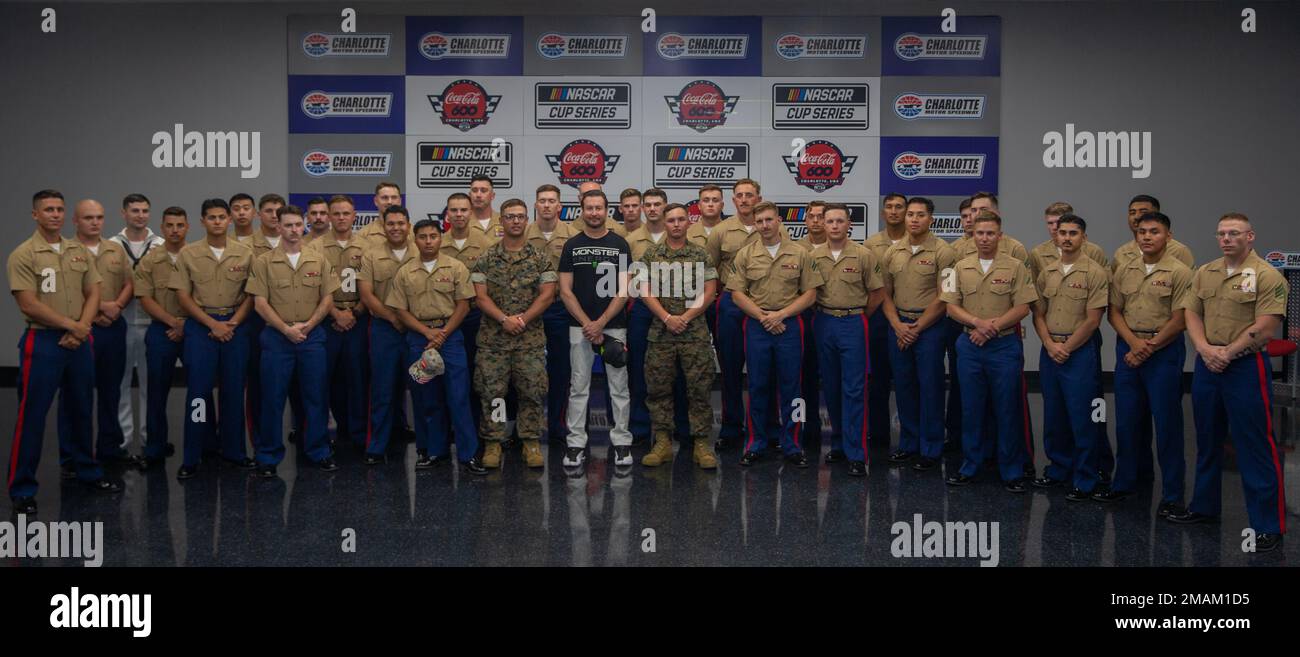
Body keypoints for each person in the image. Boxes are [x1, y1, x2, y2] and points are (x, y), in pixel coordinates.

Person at [1171, 213, 1288, 552]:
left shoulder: (1267, 275)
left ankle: (1267, 525)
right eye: (1222, 233)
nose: (1226, 238)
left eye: (1234, 233)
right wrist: (1205, 349)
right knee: (1206, 440)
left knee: (1254, 445)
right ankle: (1204, 508)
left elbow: (1267, 325)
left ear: (1250, 236)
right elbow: (1191, 312)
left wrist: (1228, 352)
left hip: (1245, 367)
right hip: (1208, 365)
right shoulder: (1204, 272)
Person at [7, 190, 121, 515]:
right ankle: (22, 488)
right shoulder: (24, 254)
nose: (55, 214)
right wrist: (73, 327)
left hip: (80, 339)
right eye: (48, 210)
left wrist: (82, 326)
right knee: (32, 416)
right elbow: (28, 303)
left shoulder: (78, 251)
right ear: (35, 215)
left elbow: (94, 290)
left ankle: (87, 471)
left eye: (59, 209)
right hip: (43, 342)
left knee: (82, 409)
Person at [1095, 212, 1191, 516]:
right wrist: (1135, 345)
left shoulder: (1180, 271)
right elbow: (1114, 312)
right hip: (1130, 349)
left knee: (1167, 425)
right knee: (1126, 422)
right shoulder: (1125, 269)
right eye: (1142, 232)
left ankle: (1173, 494)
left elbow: (1180, 319)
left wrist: (1147, 347)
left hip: (1163, 352)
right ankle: (1124, 483)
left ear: (1168, 236)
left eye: (1154, 231)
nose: (1147, 236)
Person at [941, 210, 1038, 491]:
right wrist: (977, 324)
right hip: (969, 345)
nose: (984, 238)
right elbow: (950, 306)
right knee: (971, 408)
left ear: (1000, 235)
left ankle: (1012, 470)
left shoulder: (1016, 267)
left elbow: (1023, 306)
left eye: (990, 233)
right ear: (972, 235)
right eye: (979, 233)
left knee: (1007, 408)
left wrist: (991, 328)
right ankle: (970, 465)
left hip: (1004, 346)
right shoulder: (957, 267)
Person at [386, 219, 487, 475]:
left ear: (441, 238)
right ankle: (433, 451)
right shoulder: (405, 272)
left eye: (433, 236)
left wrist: (442, 334)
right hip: (419, 338)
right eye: (422, 237)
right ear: (414, 239)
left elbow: (464, 304)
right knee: (426, 398)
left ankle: (468, 454)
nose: (428, 241)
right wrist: (426, 332)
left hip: (450, 337)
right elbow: (400, 309)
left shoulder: (456, 267)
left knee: (458, 397)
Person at [246, 205, 340, 476]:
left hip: (312, 338)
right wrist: (286, 330)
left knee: (316, 397)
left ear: (305, 225)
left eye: (298, 224)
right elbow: (260, 304)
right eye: (288, 225)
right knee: (272, 399)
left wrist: (309, 325)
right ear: (278, 227)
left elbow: (327, 298)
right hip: (277, 338)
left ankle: (319, 451)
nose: (294, 230)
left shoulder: (318, 259)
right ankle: (268, 456)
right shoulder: (263, 262)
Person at [729, 201, 824, 468]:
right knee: (757, 385)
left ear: (779, 220)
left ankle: (793, 443)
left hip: (790, 326)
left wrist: (781, 315)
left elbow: (811, 293)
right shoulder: (746, 254)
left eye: (769, 220)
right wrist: (764, 317)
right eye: (759, 222)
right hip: (757, 325)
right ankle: (755, 443)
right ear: (755, 224)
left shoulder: (800, 253)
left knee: (793, 388)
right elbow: (736, 294)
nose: (765, 226)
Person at [170, 199, 258, 479]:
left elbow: (252, 294)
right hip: (201, 327)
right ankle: (193, 455)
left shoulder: (245, 253)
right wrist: (212, 324)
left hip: (235, 326)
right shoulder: (189, 254)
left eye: (222, 217)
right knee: (198, 394)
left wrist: (232, 322)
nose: (217, 221)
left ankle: (234, 451)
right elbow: (183, 296)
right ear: (202, 221)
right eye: (211, 217)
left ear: (229, 220)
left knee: (233, 392)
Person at [471, 198, 556, 468]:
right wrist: (504, 319)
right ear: (501, 221)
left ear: (527, 221)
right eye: (510, 216)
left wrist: (521, 319)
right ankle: (493, 443)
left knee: (531, 390)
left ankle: (530, 442)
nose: (516, 221)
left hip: (529, 341)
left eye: (520, 216)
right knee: (492, 392)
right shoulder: (485, 258)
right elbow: (480, 298)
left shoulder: (540, 258)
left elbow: (547, 296)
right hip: (493, 341)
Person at [1030, 214, 1108, 499]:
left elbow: (1093, 320)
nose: (1066, 237)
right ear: (1056, 237)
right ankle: (1057, 469)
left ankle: (1085, 477)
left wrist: (1066, 347)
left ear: (1083, 238)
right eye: (1062, 232)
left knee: (1082, 416)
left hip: (1078, 352)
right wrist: (1050, 344)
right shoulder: (1046, 272)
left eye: (1073, 233)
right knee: (1054, 414)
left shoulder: (1095, 273)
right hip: (1050, 349)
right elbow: (1038, 314)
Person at [637, 203, 719, 469]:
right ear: (664, 222)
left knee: (699, 389)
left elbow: (710, 291)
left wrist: (686, 317)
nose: (675, 224)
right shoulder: (651, 254)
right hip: (661, 333)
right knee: (659, 389)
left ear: (688, 222)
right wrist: (667, 317)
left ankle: (701, 444)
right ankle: (662, 442)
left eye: (680, 219)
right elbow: (644, 290)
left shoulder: (700, 253)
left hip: (694, 332)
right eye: (670, 220)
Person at [557, 189, 634, 468]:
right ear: (582, 209)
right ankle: (576, 444)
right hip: (579, 328)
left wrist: (600, 323)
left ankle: (622, 443)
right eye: (588, 208)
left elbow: (624, 290)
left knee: (619, 387)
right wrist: (588, 324)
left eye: (598, 208)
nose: (594, 213)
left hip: (613, 325)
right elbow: (565, 291)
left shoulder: (620, 244)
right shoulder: (571, 245)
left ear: (607, 210)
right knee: (579, 387)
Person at [880, 197, 956, 470]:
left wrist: (918, 327)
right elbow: (885, 295)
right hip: (899, 326)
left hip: (930, 328)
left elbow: (946, 296)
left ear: (931, 219)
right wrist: (898, 326)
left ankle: (931, 448)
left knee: (931, 386)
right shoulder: (892, 252)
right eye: (910, 214)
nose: (913, 219)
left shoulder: (945, 252)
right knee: (904, 386)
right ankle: (908, 444)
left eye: (920, 215)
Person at [810, 203, 885, 475]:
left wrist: (859, 315)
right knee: (830, 386)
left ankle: (856, 452)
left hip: (853, 322)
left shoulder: (864, 255)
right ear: (823, 224)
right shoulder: (813, 256)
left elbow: (877, 292)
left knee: (854, 388)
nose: (834, 226)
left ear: (848, 224)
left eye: (839, 221)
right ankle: (839, 444)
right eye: (829, 221)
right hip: (824, 321)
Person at [63, 199, 138, 466]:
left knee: (111, 391)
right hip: (81, 329)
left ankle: (110, 448)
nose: (95, 222)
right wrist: (98, 310)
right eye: (88, 218)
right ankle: (72, 457)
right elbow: (65, 294)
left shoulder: (115, 250)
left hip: (114, 329)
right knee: (76, 394)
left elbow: (129, 283)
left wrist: (117, 306)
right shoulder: (65, 251)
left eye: (99, 217)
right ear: (75, 221)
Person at [705, 178, 767, 450]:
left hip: (764, 304)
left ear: (758, 197)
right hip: (730, 305)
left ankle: (763, 428)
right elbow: (710, 270)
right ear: (733, 200)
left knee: (762, 370)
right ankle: (731, 427)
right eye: (739, 195)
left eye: (749, 195)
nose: (744, 200)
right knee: (730, 369)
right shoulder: (720, 230)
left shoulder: (773, 226)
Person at [626, 188, 690, 443]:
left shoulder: (684, 234)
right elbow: (628, 281)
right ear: (642, 208)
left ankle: (681, 429)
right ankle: (641, 429)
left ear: (665, 209)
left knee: (681, 371)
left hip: (678, 309)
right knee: (640, 370)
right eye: (648, 205)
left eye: (657, 204)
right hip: (643, 310)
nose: (652, 209)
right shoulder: (631, 240)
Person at [308, 195, 369, 450]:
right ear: (329, 217)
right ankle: (325, 434)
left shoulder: (367, 247)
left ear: (354, 216)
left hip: (358, 319)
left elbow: (372, 288)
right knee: (325, 379)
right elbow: (313, 289)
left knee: (357, 379)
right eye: (336, 214)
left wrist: (353, 313)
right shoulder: (314, 248)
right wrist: (336, 314)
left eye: (346, 213)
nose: (341, 218)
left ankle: (356, 434)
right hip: (327, 322)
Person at [357, 206, 416, 464]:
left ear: (408, 225)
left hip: (417, 328)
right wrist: (393, 318)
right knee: (382, 389)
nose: (396, 228)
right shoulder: (371, 255)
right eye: (390, 224)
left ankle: (427, 446)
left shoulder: (421, 250)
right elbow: (366, 295)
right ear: (383, 226)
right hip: (384, 328)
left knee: (422, 387)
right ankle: (377, 446)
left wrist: (408, 321)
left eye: (401, 223)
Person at [108, 193, 165, 459]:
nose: (140, 215)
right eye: (134, 210)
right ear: (124, 213)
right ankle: (121, 441)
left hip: (152, 323)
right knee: (119, 383)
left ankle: (148, 439)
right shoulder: (111, 245)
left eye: (144, 210)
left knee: (150, 384)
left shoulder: (161, 245)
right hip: (120, 322)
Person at [132, 206, 190, 467]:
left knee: (199, 392)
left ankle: (203, 444)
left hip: (194, 330)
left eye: (180, 225)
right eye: (170, 225)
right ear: (162, 227)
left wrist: (185, 324)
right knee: (156, 392)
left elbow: (206, 296)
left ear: (187, 227)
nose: (175, 230)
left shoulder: (198, 256)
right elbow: (144, 297)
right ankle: (155, 447)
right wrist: (173, 322)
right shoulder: (150, 260)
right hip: (161, 330)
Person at [524, 184, 578, 443]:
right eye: (541, 200)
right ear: (535, 205)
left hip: (559, 309)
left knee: (560, 370)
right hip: (528, 310)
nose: (546, 205)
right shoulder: (521, 234)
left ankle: (557, 424)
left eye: (551, 201)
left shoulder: (573, 236)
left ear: (560, 206)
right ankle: (526, 428)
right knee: (524, 370)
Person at [441, 192, 493, 434]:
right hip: (446, 320)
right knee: (445, 376)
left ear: (471, 213)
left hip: (475, 317)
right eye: (454, 210)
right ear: (447, 214)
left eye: (463, 210)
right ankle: (448, 428)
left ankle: (473, 427)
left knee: (475, 374)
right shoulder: (436, 243)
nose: (459, 214)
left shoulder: (485, 244)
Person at [864, 193, 907, 449]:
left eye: (899, 207)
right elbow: (870, 287)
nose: (893, 211)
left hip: (911, 319)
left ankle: (911, 438)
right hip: (879, 320)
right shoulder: (870, 245)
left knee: (906, 380)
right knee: (878, 381)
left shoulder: (915, 242)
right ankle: (878, 435)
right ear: (882, 213)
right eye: (889, 207)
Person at [468, 174, 504, 242]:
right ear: (470, 195)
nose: (478, 195)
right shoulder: (462, 221)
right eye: (474, 190)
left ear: (492, 196)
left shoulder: (504, 221)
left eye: (483, 190)